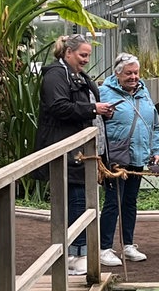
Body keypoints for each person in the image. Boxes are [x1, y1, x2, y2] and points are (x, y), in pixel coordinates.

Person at [33, 34, 115, 276]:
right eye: (82, 55)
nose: (86, 60)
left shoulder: (79, 76)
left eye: (88, 55)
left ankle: (79, 251)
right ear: (68, 53)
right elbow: (58, 107)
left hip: (83, 152)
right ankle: (73, 254)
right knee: (75, 200)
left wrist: (101, 112)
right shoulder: (55, 75)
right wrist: (92, 109)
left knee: (81, 199)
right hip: (66, 152)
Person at [98, 53, 159, 266]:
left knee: (130, 202)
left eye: (136, 72)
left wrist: (156, 150)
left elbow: (153, 125)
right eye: (128, 73)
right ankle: (104, 247)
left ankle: (128, 245)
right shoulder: (104, 93)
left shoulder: (144, 93)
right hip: (116, 158)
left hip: (138, 156)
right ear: (118, 73)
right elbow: (96, 127)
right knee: (112, 201)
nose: (133, 77)